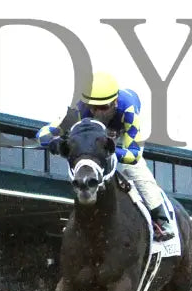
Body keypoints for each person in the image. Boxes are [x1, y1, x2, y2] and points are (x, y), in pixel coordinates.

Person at [36, 72, 176, 242]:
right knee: (80, 170)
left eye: (103, 108)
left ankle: (161, 219)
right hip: (94, 145)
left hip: (121, 138)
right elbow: (43, 134)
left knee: (135, 170)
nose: (97, 113)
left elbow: (134, 155)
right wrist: (55, 143)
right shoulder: (79, 110)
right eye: (93, 108)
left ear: (115, 103)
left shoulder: (129, 110)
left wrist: (106, 150)